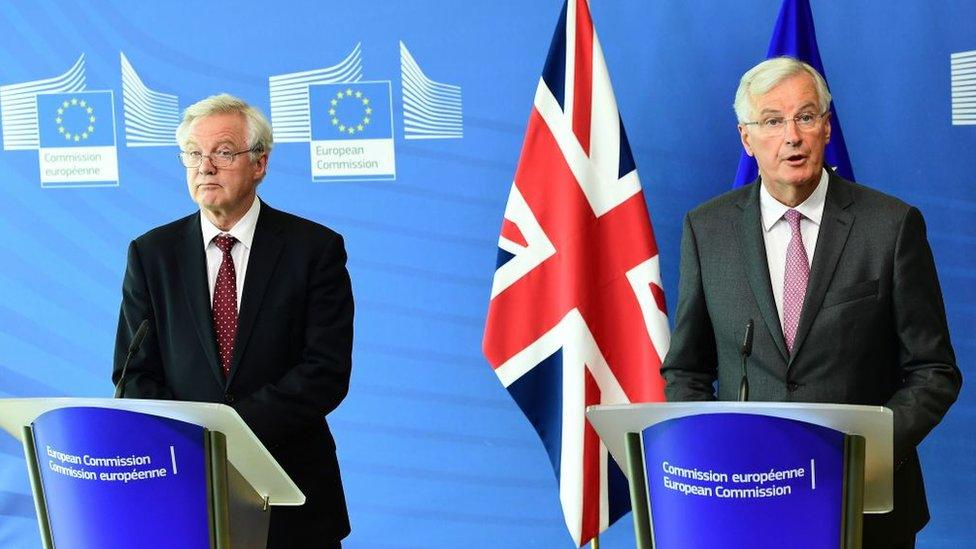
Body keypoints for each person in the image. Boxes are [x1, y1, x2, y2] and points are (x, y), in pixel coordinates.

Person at [661, 57, 961, 548]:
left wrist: (863, 457)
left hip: (866, 509)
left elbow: (934, 371)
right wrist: (723, 460)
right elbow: (686, 371)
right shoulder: (706, 229)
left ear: (825, 127)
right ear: (747, 139)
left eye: (805, 116)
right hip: (749, 502)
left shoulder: (890, 226)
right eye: (772, 121)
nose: (791, 136)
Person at [113, 93, 353, 548]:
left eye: (223, 152)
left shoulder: (313, 250)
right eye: (194, 154)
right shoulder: (151, 255)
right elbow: (133, 374)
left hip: (290, 491)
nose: (205, 166)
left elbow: (325, 372)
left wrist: (227, 434)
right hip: (182, 491)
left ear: (259, 164)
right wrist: (189, 445)